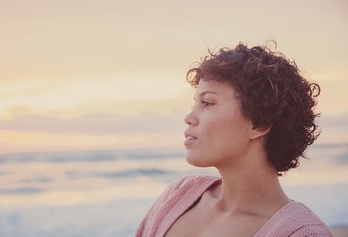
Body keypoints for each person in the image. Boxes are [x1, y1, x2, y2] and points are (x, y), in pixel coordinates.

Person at [135, 41, 333, 237]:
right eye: (194, 104)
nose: (189, 118)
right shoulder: (180, 195)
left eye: (207, 103)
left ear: (259, 124)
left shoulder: (301, 234)